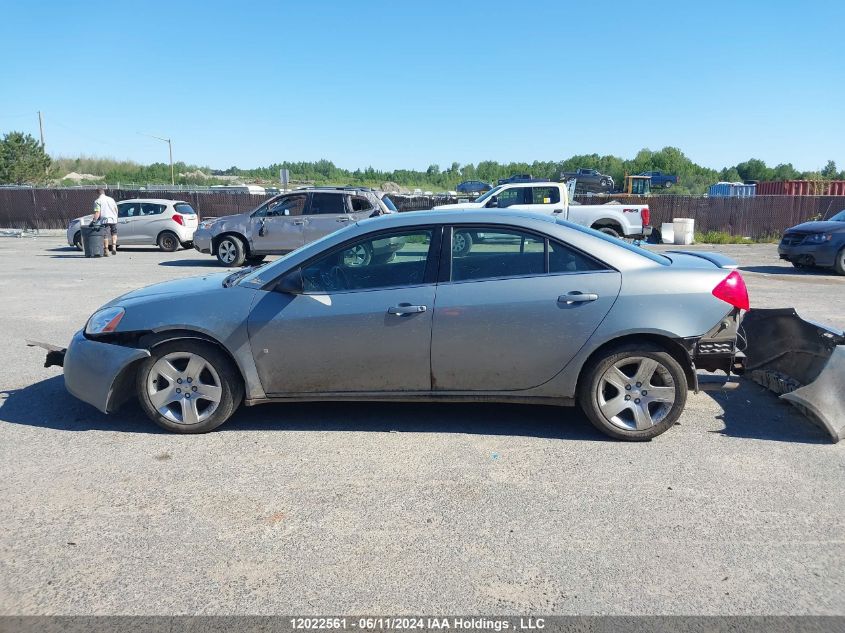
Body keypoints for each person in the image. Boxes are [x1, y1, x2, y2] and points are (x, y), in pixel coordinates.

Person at [92, 187, 119, 256]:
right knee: (114, 233)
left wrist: (94, 221)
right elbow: (116, 209)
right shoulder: (111, 199)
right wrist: (116, 217)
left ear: (97, 193)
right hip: (113, 219)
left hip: (104, 220)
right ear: (104, 192)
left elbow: (97, 213)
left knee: (105, 235)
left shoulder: (97, 201)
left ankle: (106, 250)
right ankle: (114, 246)